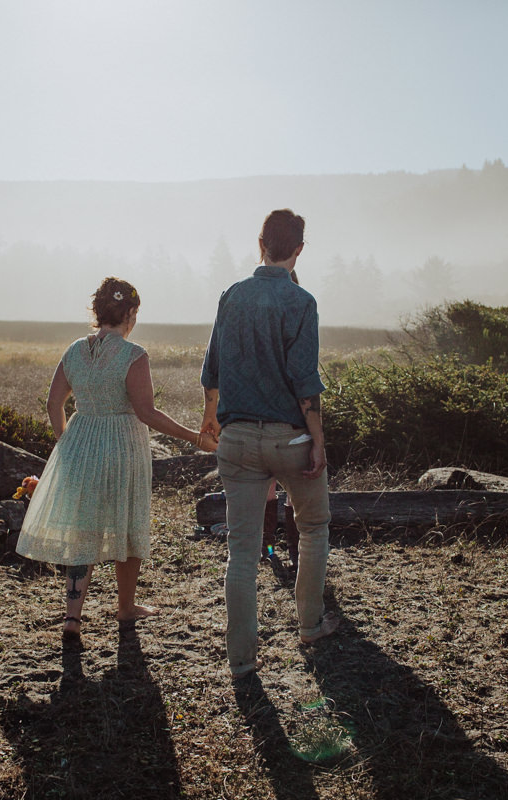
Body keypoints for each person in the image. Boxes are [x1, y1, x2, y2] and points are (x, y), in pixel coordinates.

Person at [16, 277, 216, 644]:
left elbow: (53, 403)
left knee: (83, 527)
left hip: (80, 440)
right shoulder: (133, 354)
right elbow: (147, 413)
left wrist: (67, 444)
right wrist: (195, 439)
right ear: (129, 313)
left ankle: (73, 617)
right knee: (127, 521)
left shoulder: (75, 350)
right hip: (123, 446)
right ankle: (126, 607)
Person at [200, 209, 338, 678]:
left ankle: (241, 661)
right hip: (289, 438)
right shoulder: (301, 302)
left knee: (242, 549)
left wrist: (209, 418)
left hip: (236, 438)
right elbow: (305, 381)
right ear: (299, 250)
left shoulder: (231, 296)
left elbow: (212, 370)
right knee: (314, 526)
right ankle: (310, 624)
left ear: (259, 243)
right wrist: (317, 439)